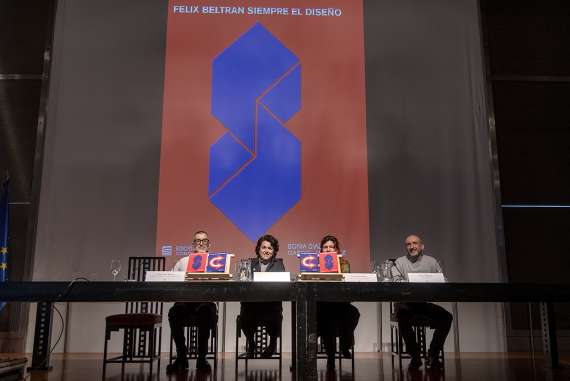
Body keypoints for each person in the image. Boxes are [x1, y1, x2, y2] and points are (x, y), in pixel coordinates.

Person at [391, 234, 453, 370]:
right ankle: (415, 356)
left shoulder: (432, 261)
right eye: (408, 244)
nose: (412, 246)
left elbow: (443, 281)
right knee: (402, 315)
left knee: (447, 317)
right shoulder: (399, 262)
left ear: (422, 246)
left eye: (415, 243)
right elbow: (396, 283)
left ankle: (433, 354)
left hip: (424, 304)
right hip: (406, 304)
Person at [167, 231, 218, 373]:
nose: (201, 244)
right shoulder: (182, 261)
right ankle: (181, 356)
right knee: (174, 312)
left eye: (204, 241)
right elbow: (171, 280)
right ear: (193, 244)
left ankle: (202, 358)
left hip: (206, 303)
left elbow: (222, 283)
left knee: (205, 312)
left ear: (209, 244)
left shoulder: (216, 262)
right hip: (185, 302)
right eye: (197, 241)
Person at [316, 235, 360, 371]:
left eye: (331, 247)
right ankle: (331, 358)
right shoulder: (314, 263)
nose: (328, 249)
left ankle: (345, 345)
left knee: (354, 313)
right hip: (322, 304)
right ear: (321, 250)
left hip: (340, 303)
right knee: (328, 319)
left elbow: (346, 283)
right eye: (325, 247)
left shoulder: (344, 263)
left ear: (337, 249)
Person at [239, 234, 285, 358]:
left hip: (271, 307)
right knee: (244, 314)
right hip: (252, 306)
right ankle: (252, 344)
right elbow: (242, 282)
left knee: (275, 313)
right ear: (258, 249)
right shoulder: (249, 263)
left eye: (270, 248)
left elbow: (281, 286)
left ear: (274, 251)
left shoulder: (278, 264)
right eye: (263, 247)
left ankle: (272, 344)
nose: (266, 251)